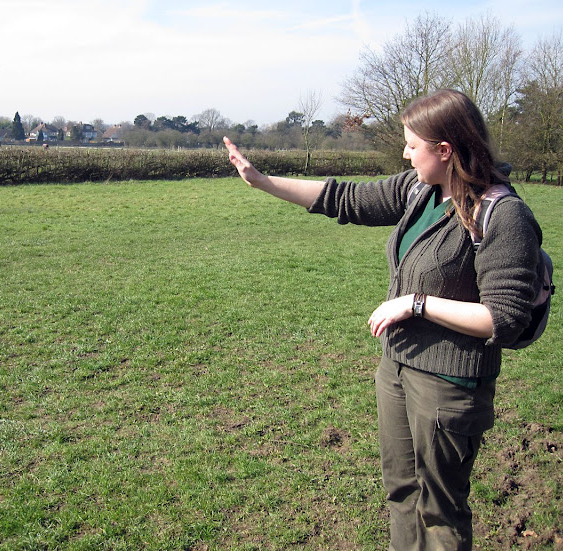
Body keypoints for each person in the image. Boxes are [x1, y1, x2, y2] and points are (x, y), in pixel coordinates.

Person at [223, 89, 543, 550]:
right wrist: (263, 180)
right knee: (402, 493)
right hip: (397, 369)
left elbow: (503, 318)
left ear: (445, 150)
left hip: (448, 387)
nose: (405, 153)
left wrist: (416, 303)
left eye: (413, 145)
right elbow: (346, 199)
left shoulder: (503, 214)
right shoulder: (421, 190)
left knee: (440, 510)